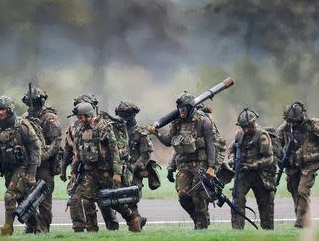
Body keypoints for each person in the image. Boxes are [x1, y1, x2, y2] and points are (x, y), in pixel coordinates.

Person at [69, 102, 142, 232]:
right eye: (78, 118)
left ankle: (133, 220)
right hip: (88, 171)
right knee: (86, 200)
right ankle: (92, 231)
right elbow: (77, 153)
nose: (79, 120)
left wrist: (117, 172)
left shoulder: (103, 127)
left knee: (115, 201)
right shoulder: (80, 130)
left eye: (81, 117)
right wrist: (74, 171)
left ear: (89, 115)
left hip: (105, 172)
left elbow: (114, 151)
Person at [148, 92, 216, 229]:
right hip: (184, 165)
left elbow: (211, 144)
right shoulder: (177, 122)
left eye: (184, 109)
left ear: (190, 108)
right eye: (179, 109)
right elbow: (168, 142)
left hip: (200, 165)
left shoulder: (204, 121)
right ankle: (199, 219)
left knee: (198, 197)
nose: (181, 111)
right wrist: (156, 133)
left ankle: (201, 227)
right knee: (183, 196)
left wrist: (212, 166)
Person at [277, 101, 319, 228]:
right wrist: (280, 159)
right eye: (290, 121)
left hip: (309, 164)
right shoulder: (285, 128)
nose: (293, 124)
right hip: (292, 166)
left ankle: (299, 223)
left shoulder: (312, 127)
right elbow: (276, 146)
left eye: (295, 121)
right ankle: (305, 221)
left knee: (302, 190)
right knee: (294, 191)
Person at [0, 95, 41, 236]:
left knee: (10, 196)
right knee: (23, 199)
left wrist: (31, 173)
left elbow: (35, 148)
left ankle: (8, 228)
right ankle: (36, 227)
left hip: (23, 167)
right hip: (8, 169)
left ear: (9, 110)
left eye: (1, 110)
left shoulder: (22, 126)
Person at [21, 87, 62, 233]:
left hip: (45, 166)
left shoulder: (49, 117)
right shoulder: (25, 117)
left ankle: (43, 229)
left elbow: (56, 143)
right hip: (30, 165)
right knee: (27, 197)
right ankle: (31, 226)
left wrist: (40, 156)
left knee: (44, 200)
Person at [229, 108, 277, 230]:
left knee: (265, 204)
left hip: (261, 175)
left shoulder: (262, 136)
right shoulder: (239, 135)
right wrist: (231, 159)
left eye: (247, 126)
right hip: (244, 174)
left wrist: (253, 165)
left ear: (253, 123)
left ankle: (268, 231)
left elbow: (269, 159)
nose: (245, 129)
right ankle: (237, 229)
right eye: (243, 126)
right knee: (237, 200)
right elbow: (231, 150)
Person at [115, 101, 154, 223]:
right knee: (116, 199)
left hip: (134, 172)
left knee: (131, 199)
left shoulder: (140, 133)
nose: (122, 118)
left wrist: (133, 168)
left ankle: (135, 222)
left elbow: (146, 154)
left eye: (125, 115)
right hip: (118, 171)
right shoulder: (116, 131)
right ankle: (136, 220)